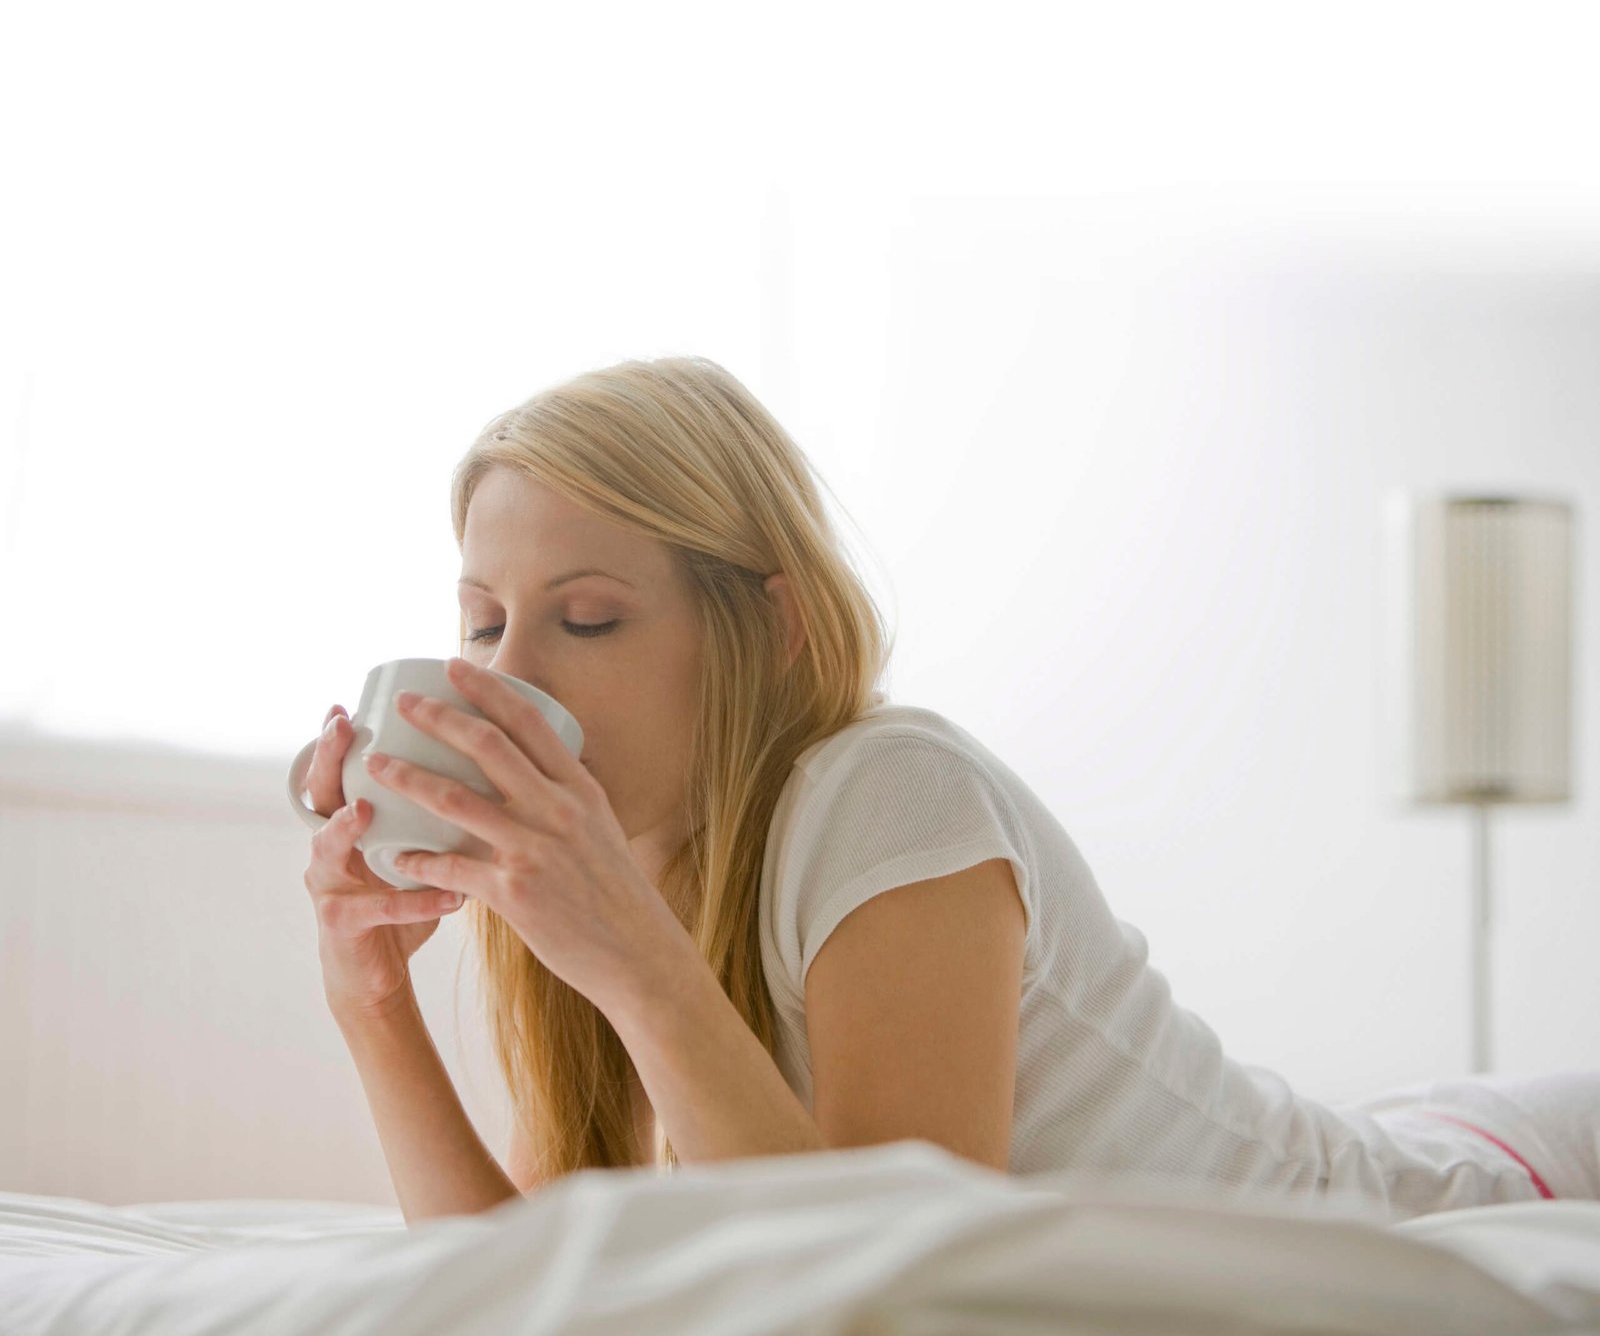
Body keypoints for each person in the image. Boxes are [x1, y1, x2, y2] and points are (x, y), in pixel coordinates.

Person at [299, 355, 1600, 1225]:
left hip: (1470, 1194)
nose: (507, 675)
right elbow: (522, 1277)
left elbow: (889, 1276)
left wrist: (634, 962)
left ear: (773, 628)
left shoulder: (888, 791)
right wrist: (374, 1003)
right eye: (482, 624)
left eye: (587, 618)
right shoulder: (617, 875)